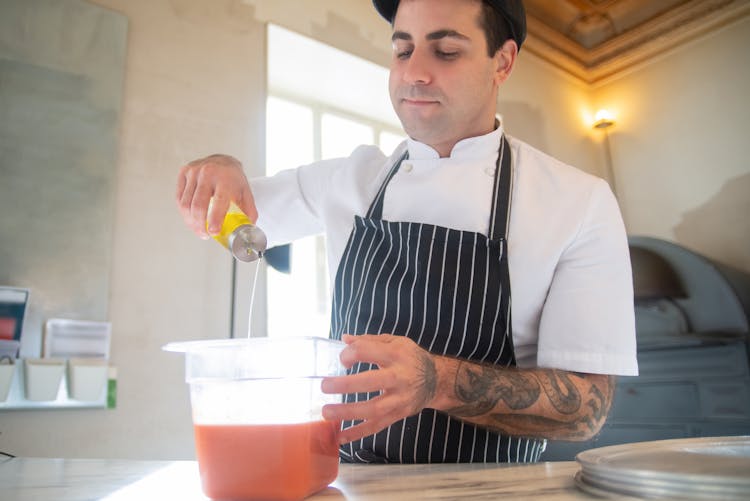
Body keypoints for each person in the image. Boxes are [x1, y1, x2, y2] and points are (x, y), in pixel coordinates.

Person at [176, 0, 638, 464]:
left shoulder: (578, 202)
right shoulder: (348, 180)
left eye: (446, 52)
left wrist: (437, 380)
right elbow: (233, 217)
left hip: (496, 492)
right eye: (402, 51)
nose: (413, 73)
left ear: (503, 61)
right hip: (349, 486)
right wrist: (221, 169)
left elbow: (585, 412)